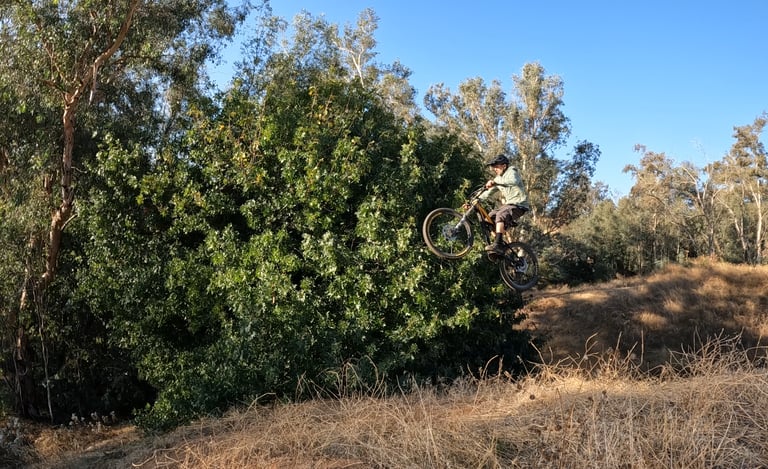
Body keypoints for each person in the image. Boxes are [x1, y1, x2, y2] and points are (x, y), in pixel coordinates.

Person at [478, 154, 530, 256]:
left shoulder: (511, 171)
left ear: (504, 166)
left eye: (496, 166)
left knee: (500, 215)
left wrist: (495, 183)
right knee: (488, 219)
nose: (494, 169)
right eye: (493, 167)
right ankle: (499, 244)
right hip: (508, 205)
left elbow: (514, 181)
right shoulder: (498, 179)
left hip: (519, 205)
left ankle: (497, 244)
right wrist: (476, 200)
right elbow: (487, 193)